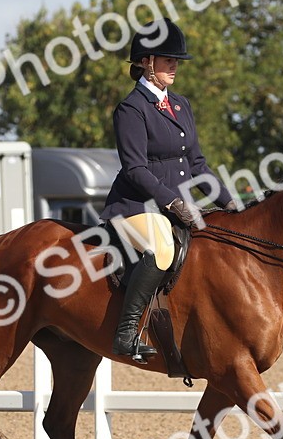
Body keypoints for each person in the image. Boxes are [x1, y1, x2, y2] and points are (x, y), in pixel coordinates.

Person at [100, 18, 241, 360]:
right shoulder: (131, 109)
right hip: (136, 207)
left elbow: (197, 165)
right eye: (167, 60)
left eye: (176, 60)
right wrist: (174, 202)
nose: (174, 65)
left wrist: (232, 203)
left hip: (177, 206)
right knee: (162, 248)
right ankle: (126, 333)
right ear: (146, 62)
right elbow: (135, 169)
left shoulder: (181, 105)